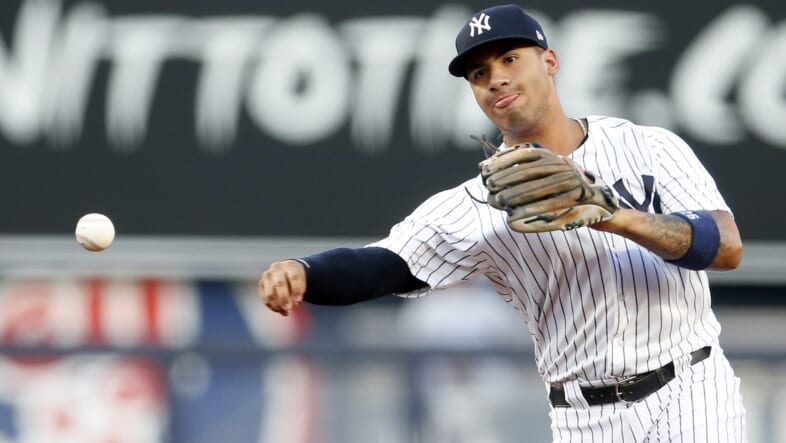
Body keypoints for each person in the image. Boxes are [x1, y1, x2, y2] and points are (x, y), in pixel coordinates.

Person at [258, 4, 747, 442]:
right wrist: (305, 272)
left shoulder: (648, 146)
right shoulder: (476, 205)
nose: (496, 79)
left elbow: (726, 247)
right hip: (584, 417)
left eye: (510, 59)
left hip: (691, 387)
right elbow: (381, 265)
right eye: (479, 73)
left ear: (549, 61)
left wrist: (615, 217)